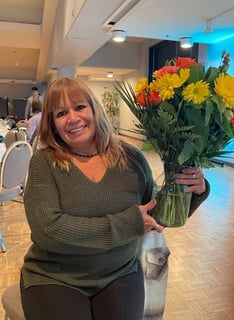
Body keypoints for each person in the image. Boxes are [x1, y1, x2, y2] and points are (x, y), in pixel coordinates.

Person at [20, 77, 210, 320]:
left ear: (94, 109)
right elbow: (49, 232)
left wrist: (193, 191)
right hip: (55, 277)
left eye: (80, 107)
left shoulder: (131, 157)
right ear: (52, 124)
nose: (73, 118)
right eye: (61, 113)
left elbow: (154, 214)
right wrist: (128, 223)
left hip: (119, 272)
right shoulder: (43, 163)